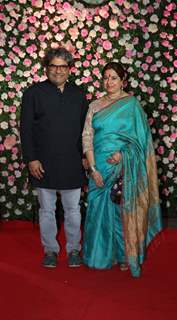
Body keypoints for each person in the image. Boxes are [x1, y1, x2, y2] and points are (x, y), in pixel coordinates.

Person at [82, 62, 162, 278]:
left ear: (123, 81)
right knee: (97, 209)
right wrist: (93, 168)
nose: (109, 82)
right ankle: (98, 256)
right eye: (106, 77)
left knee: (120, 212)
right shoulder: (95, 106)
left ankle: (125, 255)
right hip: (99, 167)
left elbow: (141, 142)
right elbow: (87, 137)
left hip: (123, 168)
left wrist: (123, 155)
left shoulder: (132, 105)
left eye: (114, 78)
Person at [20, 47, 88, 268]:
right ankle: (50, 250)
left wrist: (86, 156)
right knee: (47, 211)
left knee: (73, 210)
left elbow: (86, 130)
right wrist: (31, 158)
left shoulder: (78, 95)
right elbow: (26, 129)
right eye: (53, 66)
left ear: (69, 69)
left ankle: (74, 250)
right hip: (43, 163)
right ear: (46, 67)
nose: (58, 70)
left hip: (72, 162)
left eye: (63, 66)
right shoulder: (33, 93)